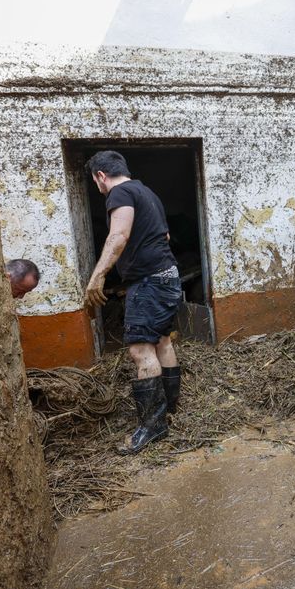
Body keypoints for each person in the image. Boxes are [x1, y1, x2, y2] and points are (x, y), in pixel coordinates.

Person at [82, 150, 182, 455]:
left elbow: (119, 235)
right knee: (162, 340)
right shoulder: (147, 192)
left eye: (96, 181)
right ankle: (169, 408)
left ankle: (152, 427)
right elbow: (164, 236)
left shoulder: (120, 192)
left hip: (150, 281)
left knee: (141, 350)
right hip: (167, 275)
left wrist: (98, 276)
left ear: (101, 176)